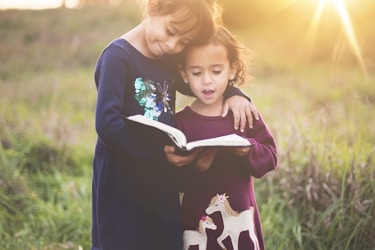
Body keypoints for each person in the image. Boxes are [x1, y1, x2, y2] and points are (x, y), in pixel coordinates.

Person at [92, 1, 259, 249]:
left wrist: (234, 92)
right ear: (153, 6)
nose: (173, 45)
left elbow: (198, 84)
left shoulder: (167, 57)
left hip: (162, 176)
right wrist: (158, 155)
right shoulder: (118, 57)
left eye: (183, 42)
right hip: (122, 178)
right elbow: (107, 123)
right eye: (171, 31)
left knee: (165, 239)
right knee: (124, 241)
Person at [176, 25, 278, 250]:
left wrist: (248, 150)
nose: (206, 81)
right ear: (184, 73)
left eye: (216, 71)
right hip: (197, 219)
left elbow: (271, 157)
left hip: (240, 215)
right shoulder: (181, 123)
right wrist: (197, 169)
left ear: (232, 70)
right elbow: (174, 180)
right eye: (196, 73)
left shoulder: (243, 113)